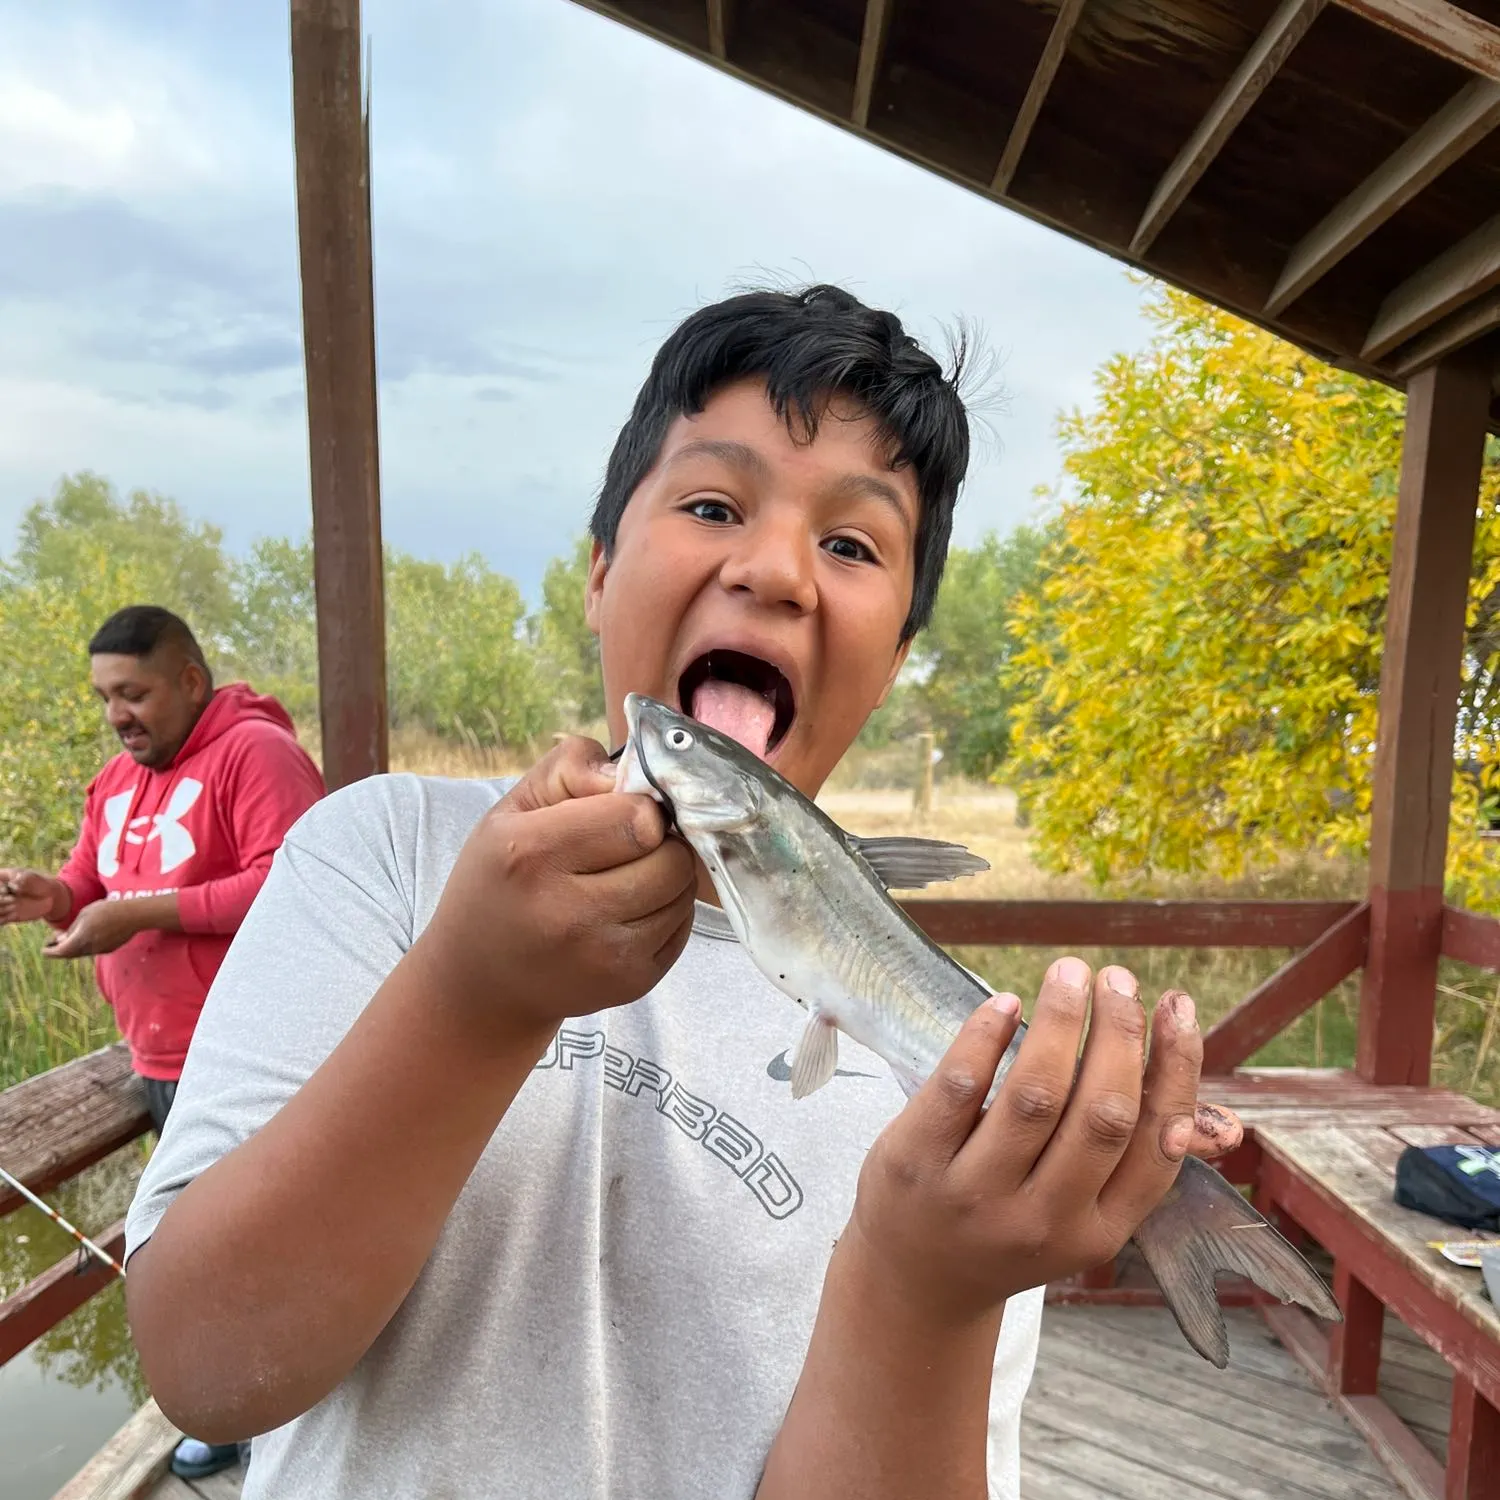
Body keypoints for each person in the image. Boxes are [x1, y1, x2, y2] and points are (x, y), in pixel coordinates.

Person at [120, 287, 1243, 1499]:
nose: (775, 571)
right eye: (713, 505)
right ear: (600, 573)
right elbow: (205, 1369)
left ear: (899, 659)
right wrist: (470, 993)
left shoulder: (959, 1107)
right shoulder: (386, 854)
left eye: (853, 545)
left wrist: (927, 1292)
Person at [0, 603, 326, 1479]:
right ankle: (238, 1404)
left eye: (134, 693)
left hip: (249, 1057)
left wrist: (135, 915)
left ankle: (273, 1421)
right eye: (107, 697)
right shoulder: (114, 780)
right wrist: (54, 895)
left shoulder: (255, 755)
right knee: (196, 1252)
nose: (118, 716)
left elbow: (295, 882)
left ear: (188, 679)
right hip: (159, 1059)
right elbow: (91, 877)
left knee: (254, 1251)